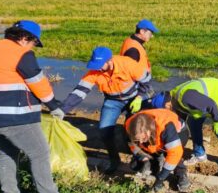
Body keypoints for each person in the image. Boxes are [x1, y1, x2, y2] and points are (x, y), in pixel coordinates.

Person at [0, 20, 71, 193]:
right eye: (34, 43)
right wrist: (53, 106)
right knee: (39, 152)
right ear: (24, 38)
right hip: (9, 116)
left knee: (7, 151)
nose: (33, 47)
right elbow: (38, 82)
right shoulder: (21, 53)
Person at [61, 46, 153, 174]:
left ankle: (140, 159)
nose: (97, 68)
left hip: (134, 99)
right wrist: (62, 110)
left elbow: (147, 81)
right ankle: (114, 160)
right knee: (104, 130)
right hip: (112, 101)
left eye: (100, 65)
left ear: (110, 61)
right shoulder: (94, 71)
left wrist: (140, 97)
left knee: (134, 130)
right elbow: (80, 91)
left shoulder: (127, 63)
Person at [149, 77, 218, 173]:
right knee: (193, 124)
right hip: (203, 101)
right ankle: (200, 155)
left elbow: (211, 105)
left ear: (167, 105)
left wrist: (217, 121)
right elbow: (180, 120)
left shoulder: (186, 97)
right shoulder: (172, 98)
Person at [124, 108, 190, 192]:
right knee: (136, 164)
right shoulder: (130, 125)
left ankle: (181, 174)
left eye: (143, 138)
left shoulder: (166, 127)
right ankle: (155, 162)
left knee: (168, 153)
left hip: (179, 132)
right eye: (138, 139)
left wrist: (160, 178)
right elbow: (131, 143)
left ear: (148, 130)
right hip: (155, 134)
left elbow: (175, 153)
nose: (140, 141)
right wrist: (143, 158)